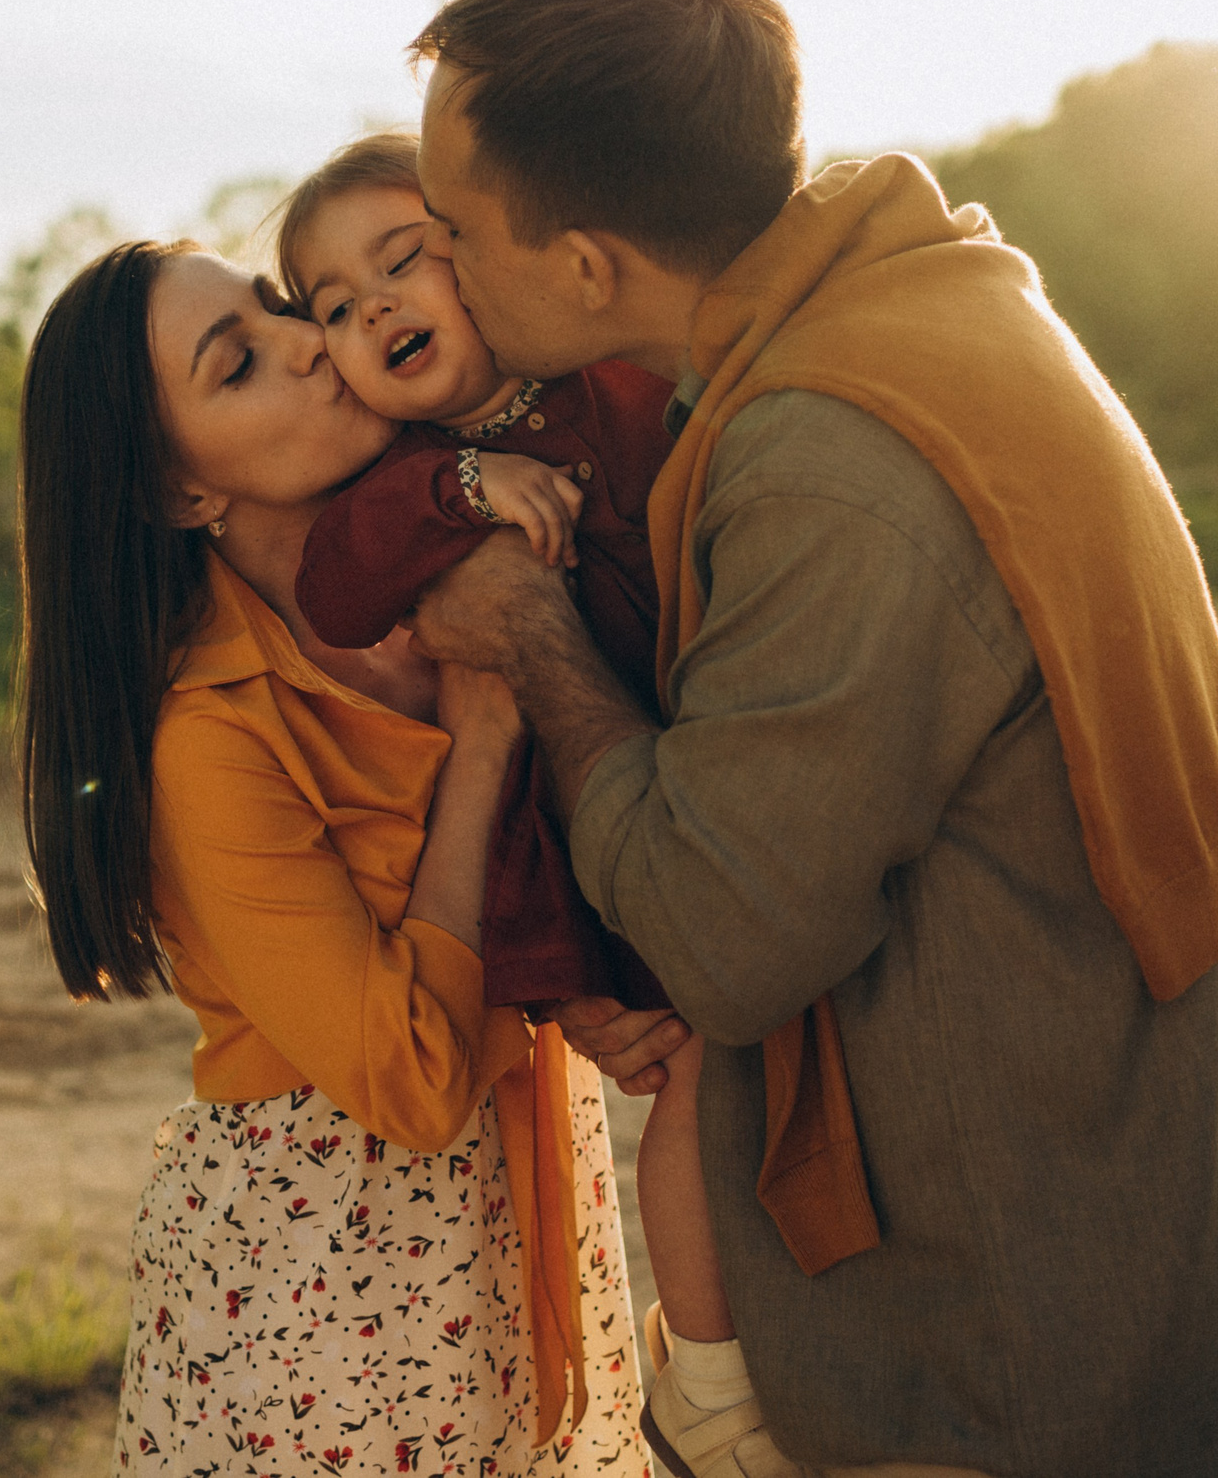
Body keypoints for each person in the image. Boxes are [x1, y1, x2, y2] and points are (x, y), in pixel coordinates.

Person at [401, 0, 1218, 1477]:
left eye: (454, 227)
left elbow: (725, 937)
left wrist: (529, 632)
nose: (437, 261)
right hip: (1093, 1195)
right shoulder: (926, 312)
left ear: (585, 265)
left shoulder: (832, 458)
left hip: (1011, 1333)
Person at [14, 240, 646, 1473]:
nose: (307, 341)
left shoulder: (476, 543)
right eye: (239, 363)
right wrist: (481, 740)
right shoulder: (209, 734)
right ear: (179, 493)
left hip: (513, 1195)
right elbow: (407, 1085)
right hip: (322, 1271)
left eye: (272, 305)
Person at [273, 132, 756, 1476]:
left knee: (759, 1066)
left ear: (481, 257)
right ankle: (711, 1377)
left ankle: (747, 1348)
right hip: (580, 852)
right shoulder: (401, 481)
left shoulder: (604, 386)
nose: (371, 307)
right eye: (330, 305)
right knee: (702, 1075)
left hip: (703, 773)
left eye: (399, 260)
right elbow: (336, 580)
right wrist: (463, 486)